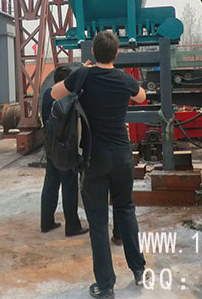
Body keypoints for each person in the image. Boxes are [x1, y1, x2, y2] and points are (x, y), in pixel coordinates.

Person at [52, 31, 147, 299]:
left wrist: (79, 73)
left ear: (93, 52)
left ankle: (105, 285)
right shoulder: (124, 78)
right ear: (116, 54)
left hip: (94, 158)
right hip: (122, 156)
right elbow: (141, 97)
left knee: (97, 221)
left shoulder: (83, 75)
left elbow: (55, 93)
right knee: (126, 210)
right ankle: (138, 269)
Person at [40, 64, 89, 237]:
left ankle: (46, 222)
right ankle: (72, 226)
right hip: (66, 149)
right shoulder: (68, 98)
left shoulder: (47, 95)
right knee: (69, 186)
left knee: (50, 184)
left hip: (51, 147)